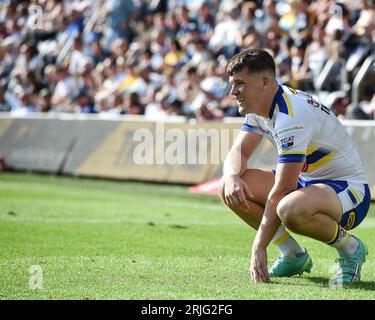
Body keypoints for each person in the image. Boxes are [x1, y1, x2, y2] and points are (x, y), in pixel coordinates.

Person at [218, 48, 371, 286]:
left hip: (349, 191)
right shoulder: (260, 105)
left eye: (239, 83)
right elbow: (239, 153)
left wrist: (258, 246)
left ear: (264, 82)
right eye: (232, 84)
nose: (232, 92)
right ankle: (293, 254)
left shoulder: (292, 115)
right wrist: (229, 176)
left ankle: (351, 248)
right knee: (232, 185)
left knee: (289, 208)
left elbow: (283, 189)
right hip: (310, 184)